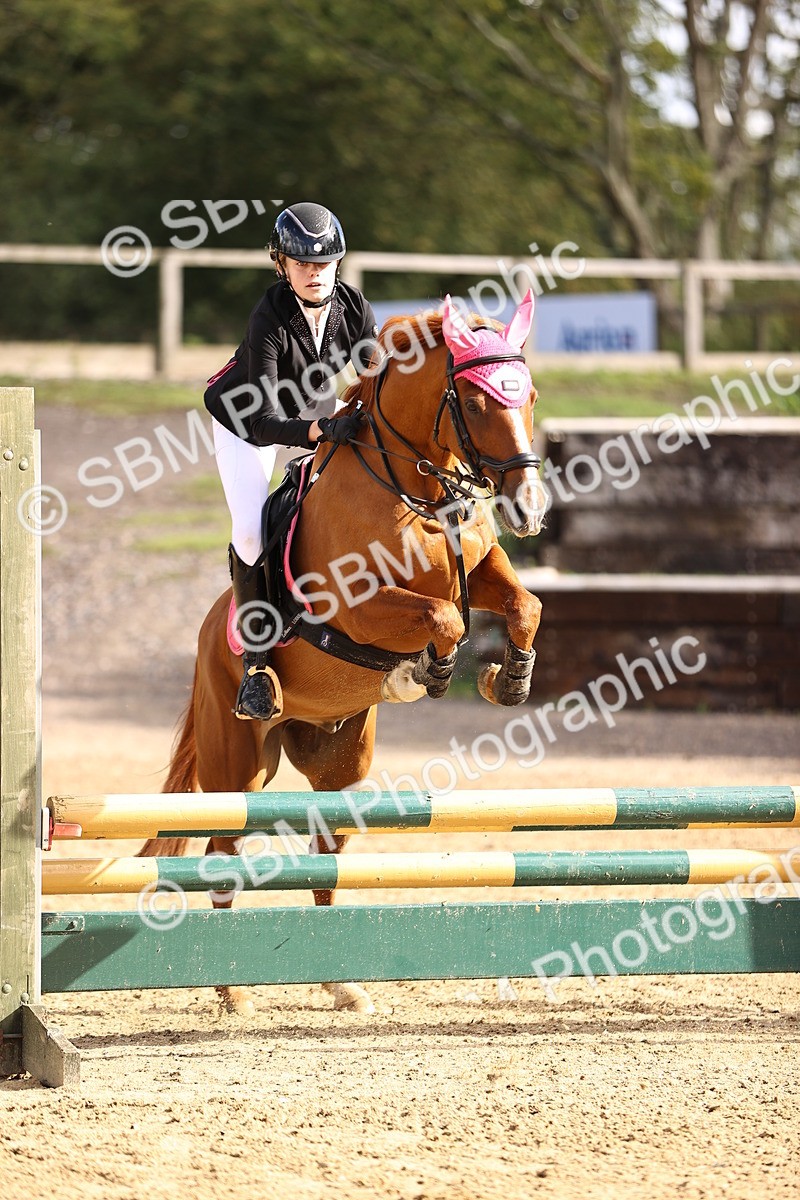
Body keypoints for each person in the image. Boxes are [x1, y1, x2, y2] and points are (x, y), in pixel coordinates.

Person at [204, 202, 378, 721]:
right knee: (253, 530)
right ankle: (257, 666)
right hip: (246, 422)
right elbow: (262, 423)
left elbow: (376, 375)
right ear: (281, 264)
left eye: (324, 263)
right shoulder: (269, 316)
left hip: (312, 411)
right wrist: (323, 429)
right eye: (302, 264)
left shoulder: (353, 306)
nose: (314, 273)